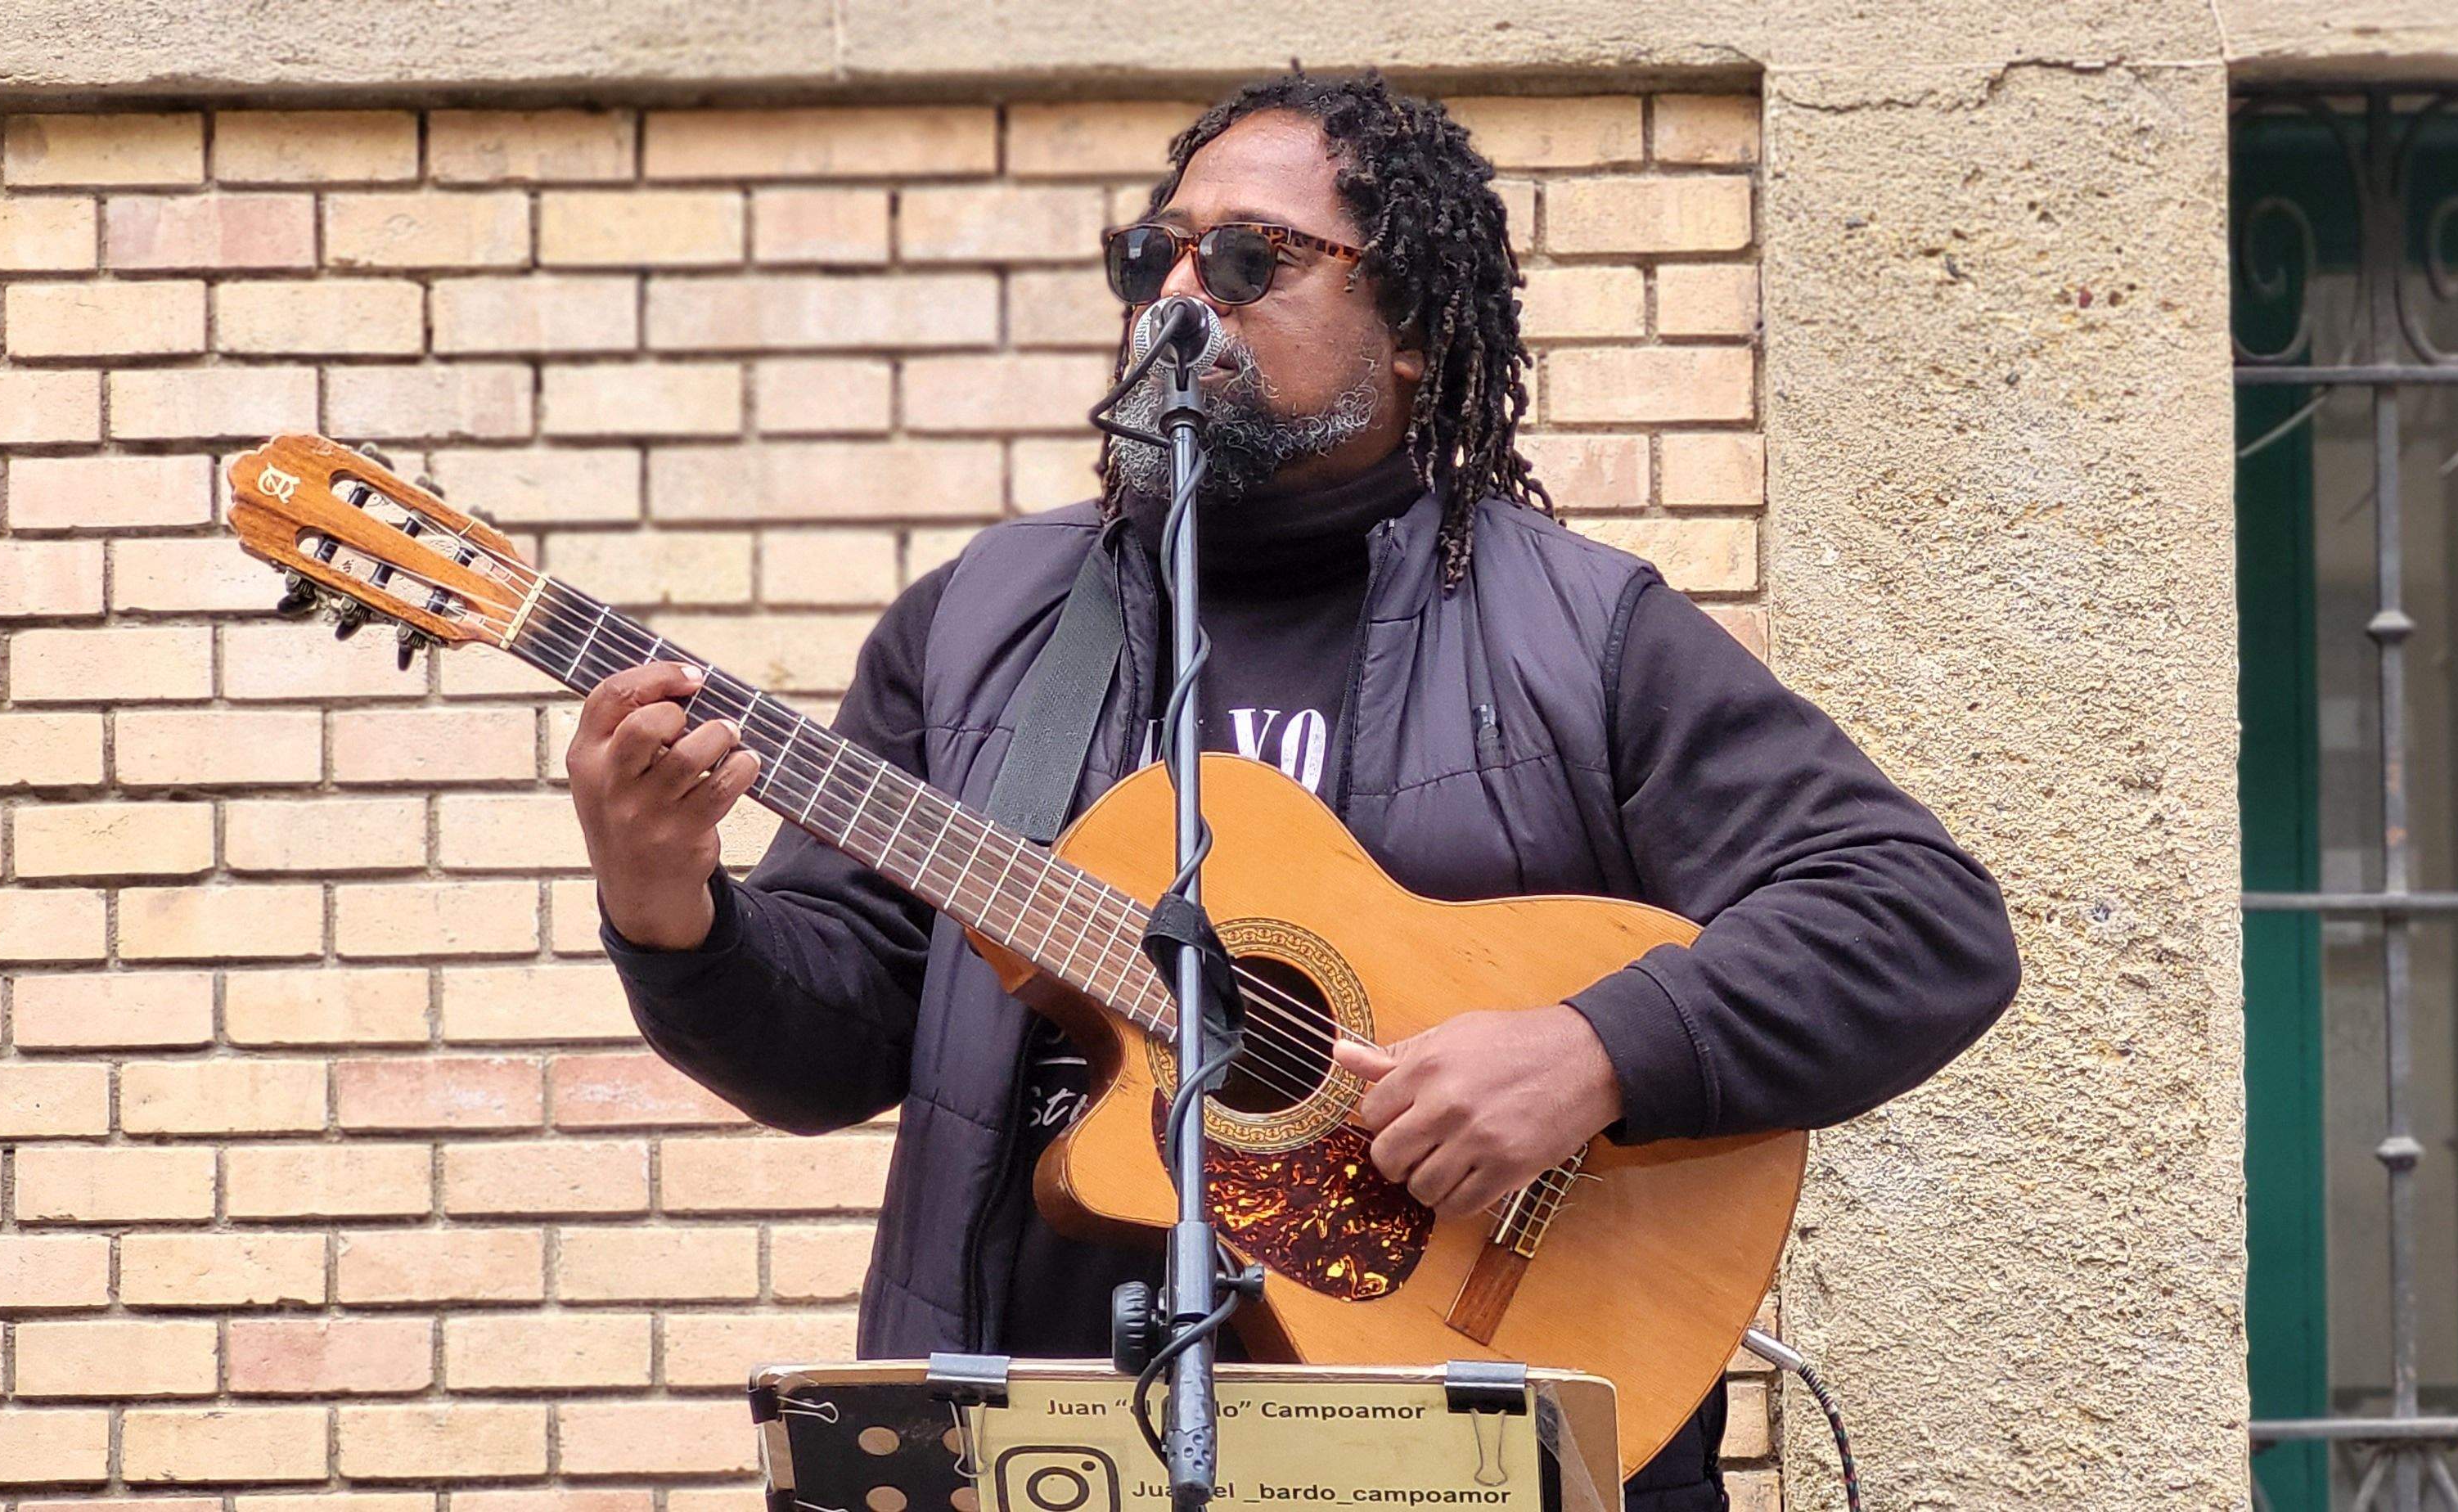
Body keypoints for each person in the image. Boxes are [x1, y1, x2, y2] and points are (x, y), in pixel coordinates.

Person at [569, 71, 2019, 1512]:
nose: (1181, 297)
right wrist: (671, 910)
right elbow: (834, 1045)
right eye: (1157, 254)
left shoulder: (1582, 632)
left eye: (1252, 257)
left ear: (1411, 332)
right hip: (1052, 1449)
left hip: (1462, 1457)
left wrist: (1596, 1050)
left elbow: (1916, 919)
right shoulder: (977, 625)